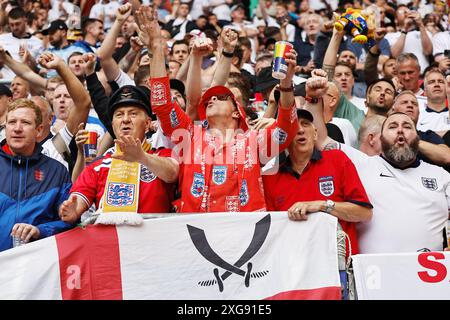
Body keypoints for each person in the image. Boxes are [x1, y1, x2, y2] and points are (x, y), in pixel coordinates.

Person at [142, 5, 299, 212]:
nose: (212, 98)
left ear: (237, 111)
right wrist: (155, 48)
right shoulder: (189, 136)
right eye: (208, 100)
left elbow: (286, 127)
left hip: (244, 237)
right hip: (194, 235)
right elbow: (162, 104)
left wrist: (286, 84)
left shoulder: (254, 141)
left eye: (221, 97)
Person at [304, 70, 450, 253]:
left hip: (428, 276)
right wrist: (315, 98)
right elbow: (321, 140)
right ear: (379, 139)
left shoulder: (440, 175)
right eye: (392, 126)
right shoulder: (363, 164)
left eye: (407, 127)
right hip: (373, 275)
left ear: (417, 137)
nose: (400, 131)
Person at [58, 85, 179, 223]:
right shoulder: (97, 166)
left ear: (147, 124)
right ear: (113, 125)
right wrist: (73, 209)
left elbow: (173, 173)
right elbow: (79, 197)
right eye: (119, 115)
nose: (125, 119)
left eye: (133, 114)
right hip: (111, 242)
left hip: (152, 241)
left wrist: (142, 157)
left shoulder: (162, 155)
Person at [263, 108, 373, 255]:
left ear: (315, 133)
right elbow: (271, 234)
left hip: (338, 268)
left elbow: (364, 213)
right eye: (294, 125)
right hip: (294, 267)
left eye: (306, 124)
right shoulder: (270, 178)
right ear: (283, 137)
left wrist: (321, 205)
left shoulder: (337, 159)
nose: (300, 130)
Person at [0, 99, 73, 252]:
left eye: (25, 123)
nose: (17, 129)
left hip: (37, 264)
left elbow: (69, 220)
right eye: (12, 122)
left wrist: (40, 231)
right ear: (5, 127)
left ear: (39, 130)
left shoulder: (57, 171)